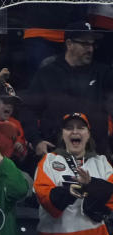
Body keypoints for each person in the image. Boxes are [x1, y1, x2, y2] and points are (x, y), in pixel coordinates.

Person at [21, 21, 113, 157]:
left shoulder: (103, 73)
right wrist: (36, 141)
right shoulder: (48, 73)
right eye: (85, 44)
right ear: (69, 44)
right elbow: (28, 110)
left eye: (92, 44)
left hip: (95, 155)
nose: (91, 49)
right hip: (56, 153)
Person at [33, 112, 113, 235]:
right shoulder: (49, 161)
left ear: (88, 134)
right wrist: (70, 191)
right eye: (69, 128)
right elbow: (45, 199)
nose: (75, 131)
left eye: (81, 128)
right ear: (62, 135)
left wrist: (91, 184)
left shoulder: (101, 162)